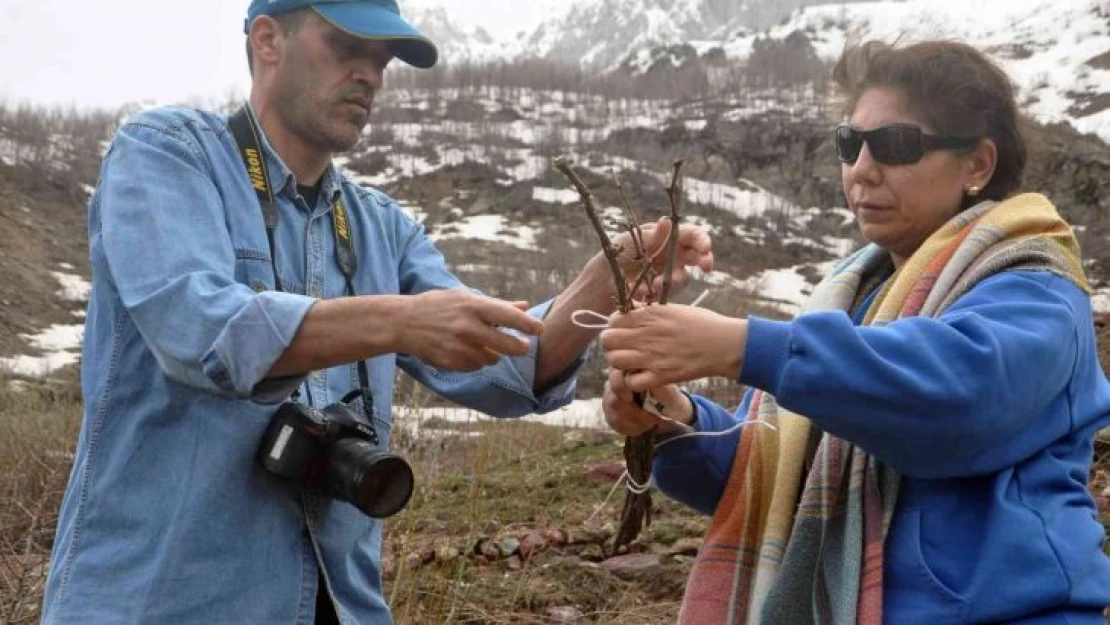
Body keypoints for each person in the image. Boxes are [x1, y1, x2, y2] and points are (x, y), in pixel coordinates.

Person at [39, 1, 714, 623]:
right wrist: (399, 322)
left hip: (341, 605)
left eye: (383, 60)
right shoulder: (167, 154)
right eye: (347, 46)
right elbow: (202, 328)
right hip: (157, 603)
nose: (371, 75)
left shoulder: (381, 227)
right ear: (267, 40)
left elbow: (510, 366)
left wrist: (602, 280)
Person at [599, 40, 1110, 624]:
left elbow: (953, 402)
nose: (862, 169)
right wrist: (675, 422)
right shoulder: (853, 295)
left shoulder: (1034, 287)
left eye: (895, 145)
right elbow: (770, 476)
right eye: (850, 143)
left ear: (978, 165)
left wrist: (740, 346)